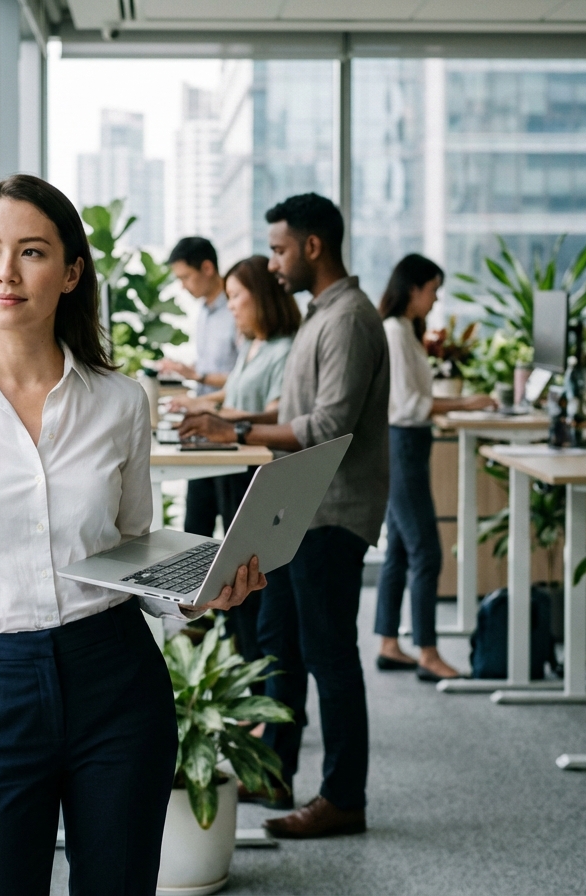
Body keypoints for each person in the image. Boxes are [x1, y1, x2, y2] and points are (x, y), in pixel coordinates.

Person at [0, 175, 264, 896]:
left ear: (72, 272)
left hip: (115, 679)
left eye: (31, 252)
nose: (6, 273)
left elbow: (130, 549)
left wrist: (199, 594)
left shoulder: (119, 401)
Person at [180, 193, 388, 839]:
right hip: (301, 506)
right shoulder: (320, 317)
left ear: (313, 246)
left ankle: (343, 798)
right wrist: (230, 424)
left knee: (329, 656)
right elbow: (290, 410)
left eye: (279, 249)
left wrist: (239, 432)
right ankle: (274, 773)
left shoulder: (348, 319)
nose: (273, 264)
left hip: (332, 509)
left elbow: (327, 426)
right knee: (282, 644)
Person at [169, 255, 301, 674]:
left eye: (236, 296)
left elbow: (277, 413)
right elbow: (233, 399)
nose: (230, 306)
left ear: (260, 296)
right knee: (231, 579)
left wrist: (223, 421)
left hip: (257, 473)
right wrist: (198, 406)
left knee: (251, 584)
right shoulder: (252, 345)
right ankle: (243, 674)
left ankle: (258, 687)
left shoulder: (285, 349)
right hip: (234, 470)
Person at [373, 254, 496, 681]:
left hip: (407, 444)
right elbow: (406, 404)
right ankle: (427, 651)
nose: (436, 298)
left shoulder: (405, 329)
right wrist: (465, 402)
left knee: (403, 550)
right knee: (426, 549)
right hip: (402, 444)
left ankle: (389, 642)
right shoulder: (393, 331)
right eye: (433, 289)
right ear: (413, 288)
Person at [160, 236, 239, 538]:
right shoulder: (204, 313)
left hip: (227, 425)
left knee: (232, 525)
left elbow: (242, 378)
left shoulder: (235, 311)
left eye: (185, 277)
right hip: (203, 425)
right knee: (195, 525)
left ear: (207, 268)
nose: (183, 286)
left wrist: (195, 374)